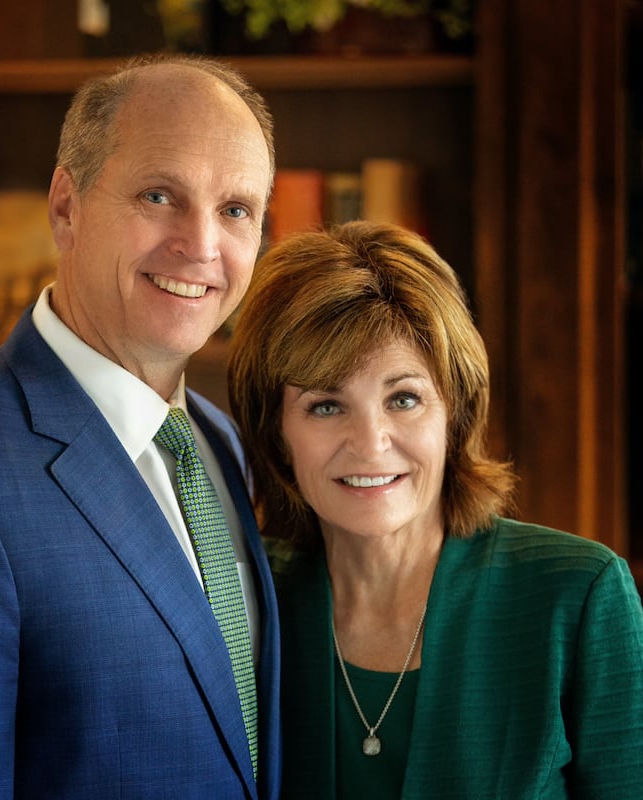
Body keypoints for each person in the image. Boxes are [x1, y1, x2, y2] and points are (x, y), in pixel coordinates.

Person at [0, 54, 281, 799]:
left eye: (236, 209)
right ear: (66, 206)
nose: (202, 245)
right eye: (158, 194)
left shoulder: (220, 444)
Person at [227, 220, 643, 798]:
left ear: (456, 412)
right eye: (325, 405)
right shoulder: (242, 599)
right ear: (276, 433)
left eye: (404, 399)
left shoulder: (577, 597)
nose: (370, 442)